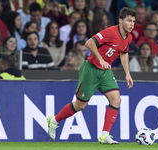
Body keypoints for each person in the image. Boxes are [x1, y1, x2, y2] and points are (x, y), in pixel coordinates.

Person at [47, 7, 136, 144]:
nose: (132, 24)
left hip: (105, 72)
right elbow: (89, 42)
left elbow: (124, 52)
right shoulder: (111, 32)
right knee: (80, 105)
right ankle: (54, 121)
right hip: (91, 69)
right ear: (120, 20)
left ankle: (104, 135)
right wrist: (101, 59)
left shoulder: (129, 37)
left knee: (116, 100)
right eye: (129, 21)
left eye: (133, 22)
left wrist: (127, 74)